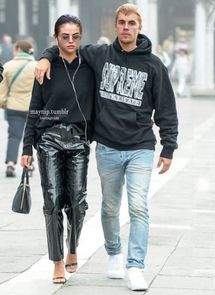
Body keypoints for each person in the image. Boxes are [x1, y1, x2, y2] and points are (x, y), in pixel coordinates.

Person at [35, 3, 178, 291]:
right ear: (115, 26)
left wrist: (168, 146)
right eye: (122, 22)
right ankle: (114, 252)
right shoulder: (99, 55)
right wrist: (45, 56)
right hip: (108, 147)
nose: (126, 27)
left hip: (141, 146)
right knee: (110, 207)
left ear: (139, 26)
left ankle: (136, 266)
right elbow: (67, 45)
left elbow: (166, 107)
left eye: (132, 23)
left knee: (138, 206)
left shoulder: (153, 64)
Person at [21, 15, 95, 284]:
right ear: (56, 38)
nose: (71, 41)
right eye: (65, 37)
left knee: (77, 201)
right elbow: (35, 107)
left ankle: (73, 245)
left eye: (75, 36)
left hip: (79, 139)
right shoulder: (46, 67)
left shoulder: (90, 65)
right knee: (52, 201)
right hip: (49, 137)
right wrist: (27, 146)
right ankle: (57, 262)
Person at [0, 40, 36, 177]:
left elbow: (1, 89)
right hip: (32, 107)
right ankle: (29, 163)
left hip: (13, 107)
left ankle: (10, 164)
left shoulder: (8, 66)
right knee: (31, 136)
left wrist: (3, 103)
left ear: (18, 49)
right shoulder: (37, 66)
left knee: (14, 136)